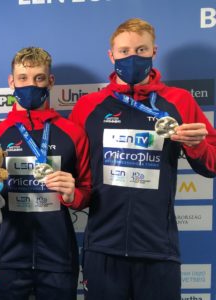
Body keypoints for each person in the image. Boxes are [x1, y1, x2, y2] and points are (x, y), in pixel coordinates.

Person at [69, 18, 216, 300]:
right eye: (124, 51)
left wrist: (197, 147)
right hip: (102, 247)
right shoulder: (89, 106)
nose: (132, 57)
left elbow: (212, 164)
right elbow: (77, 174)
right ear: (111, 56)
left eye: (141, 49)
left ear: (153, 52)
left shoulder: (179, 101)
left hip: (158, 248)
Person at [0, 47, 92, 300]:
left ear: (50, 81)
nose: (30, 85)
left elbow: (87, 191)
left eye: (39, 78)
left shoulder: (72, 133)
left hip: (58, 257)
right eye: (23, 78)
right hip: (6, 256)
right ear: (11, 82)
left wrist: (73, 196)